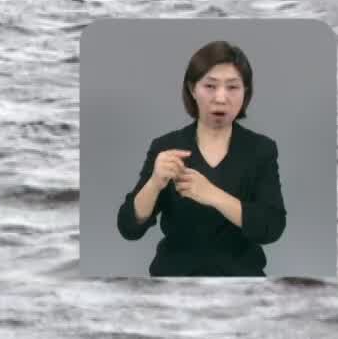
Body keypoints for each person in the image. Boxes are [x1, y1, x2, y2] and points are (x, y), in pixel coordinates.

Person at [116, 40, 287, 276]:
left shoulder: (261, 149)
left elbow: (271, 228)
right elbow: (128, 227)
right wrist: (154, 183)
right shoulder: (166, 147)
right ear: (192, 89)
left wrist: (212, 194)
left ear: (245, 91)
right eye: (210, 86)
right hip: (174, 282)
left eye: (232, 87)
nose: (220, 98)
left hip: (242, 283)